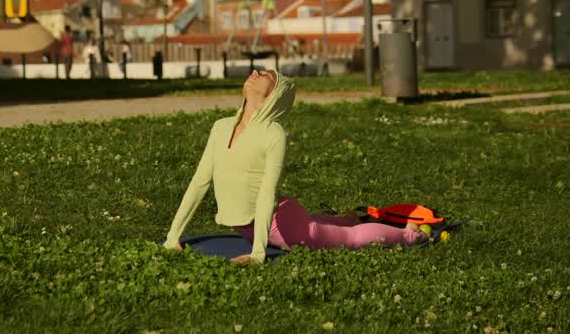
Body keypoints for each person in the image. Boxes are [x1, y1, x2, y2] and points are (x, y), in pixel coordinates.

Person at [163, 68, 428, 265]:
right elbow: (200, 181)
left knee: (350, 239)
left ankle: (409, 235)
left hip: (281, 225)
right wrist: (172, 237)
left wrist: (258, 253)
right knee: (321, 222)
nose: (255, 72)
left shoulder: (273, 134)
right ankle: (345, 219)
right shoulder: (220, 127)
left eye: (266, 74)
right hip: (265, 218)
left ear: (274, 94)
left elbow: (267, 191)